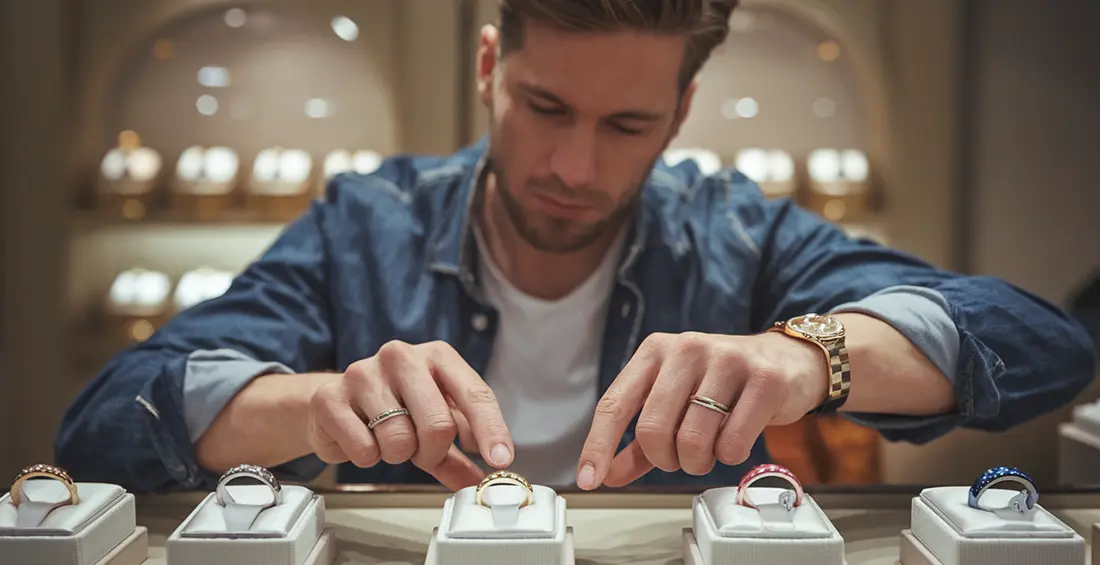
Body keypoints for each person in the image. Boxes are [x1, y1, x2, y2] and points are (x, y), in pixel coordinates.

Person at [55, 0, 1096, 494]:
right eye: (544, 105)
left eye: (625, 127)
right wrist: (311, 403)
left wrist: (801, 358)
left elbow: (1038, 343)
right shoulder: (366, 221)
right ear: (487, 64)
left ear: (682, 110)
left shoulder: (735, 227)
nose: (573, 165)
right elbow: (103, 424)